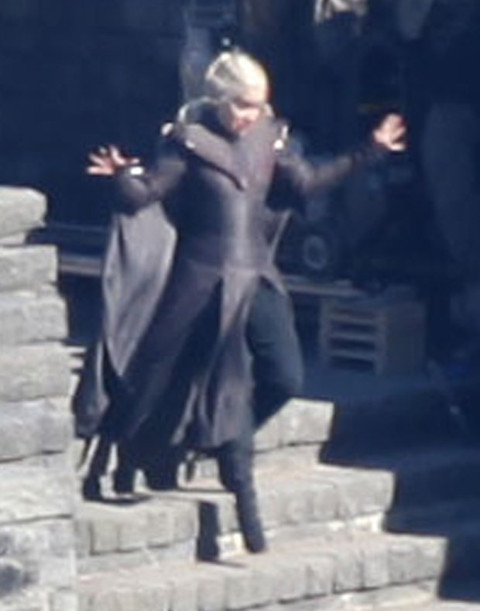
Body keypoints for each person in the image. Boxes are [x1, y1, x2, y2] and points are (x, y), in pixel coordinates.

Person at [74, 49, 405, 554]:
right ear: (219, 100)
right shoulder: (187, 142)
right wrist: (122, 177)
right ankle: (141, 456)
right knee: (158, 375)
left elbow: (306, 183)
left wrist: (370, 151)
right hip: (200, 280)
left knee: (285, 376)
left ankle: (225, 436)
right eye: (243, 105)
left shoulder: (268, 136)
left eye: (258, 105)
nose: (251, 114)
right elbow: (143, 196)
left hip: (256, 277)